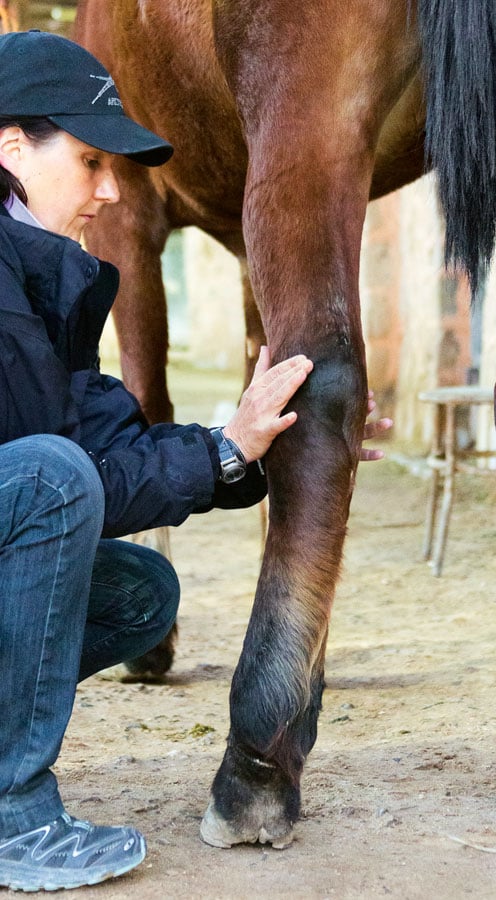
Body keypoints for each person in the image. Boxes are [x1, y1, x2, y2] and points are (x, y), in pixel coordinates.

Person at [0, 30, 391, 893]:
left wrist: (236, 446)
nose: (110, 192)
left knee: (142, 594)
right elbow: (65, 477)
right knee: (51, 481)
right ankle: (16, 819)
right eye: (93, 161)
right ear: (11, 145)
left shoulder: (37, 270)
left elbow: (101, 447)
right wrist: (222, 453)